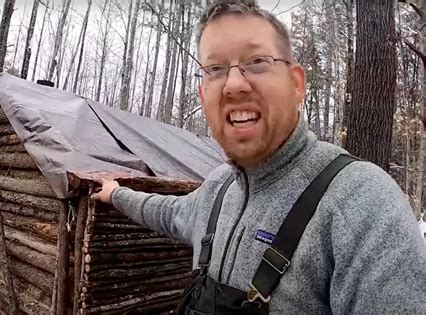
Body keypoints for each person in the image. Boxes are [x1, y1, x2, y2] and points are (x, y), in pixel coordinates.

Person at [92, 1, 426, 313]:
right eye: (216, 69)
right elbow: (169, 212)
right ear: (202, 93)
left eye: (256, 62)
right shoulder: (218, 189)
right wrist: (115, 193)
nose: (233, 85)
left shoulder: (362, 203)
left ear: (296, 84)